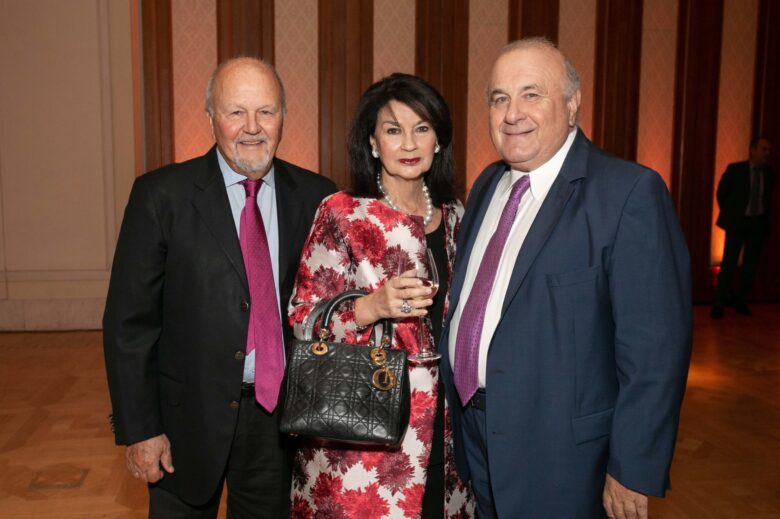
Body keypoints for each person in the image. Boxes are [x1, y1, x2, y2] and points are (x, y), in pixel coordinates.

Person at [439, 38, 692, 519]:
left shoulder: (628, 194)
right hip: (475, 433)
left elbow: (655, 349)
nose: (512, 114)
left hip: (564, 458)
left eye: (531, 94)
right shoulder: (488, 184)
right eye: (499, 98)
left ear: (573, 103)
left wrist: (632, 467)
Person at [102, 57, 336, 518]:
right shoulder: (161, 196)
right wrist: (141, 429)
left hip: (279, 420)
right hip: (185, 419)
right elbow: (129, 324)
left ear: (284, 116)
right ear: (210, 116)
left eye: (266, 112)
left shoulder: (317, 196)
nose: (252, 127)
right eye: (235, 112)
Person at [287, 73, 475, 518]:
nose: (409, 143)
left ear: (438, 140)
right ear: (372, 142)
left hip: (447, 433)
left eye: (422, 128)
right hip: (361, 437)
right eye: (393, 130)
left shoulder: (456, 215)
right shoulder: (342, 212)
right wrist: (370, 307)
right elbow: (302, 319)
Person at [711, 137, 774, 318]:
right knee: (729, 262)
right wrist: (731, 214)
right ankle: (719, 303)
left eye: (768, 150)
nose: (767, 153)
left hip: (757, 223)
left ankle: (740, 301)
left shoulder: (769, 174)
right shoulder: (736, 169)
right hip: (738, 222)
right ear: (752, 150)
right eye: (763, 149)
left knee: (750, 265)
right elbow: (722, 192)